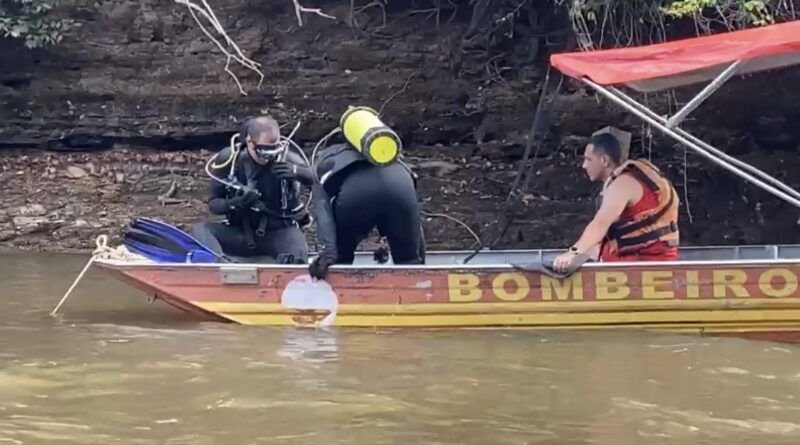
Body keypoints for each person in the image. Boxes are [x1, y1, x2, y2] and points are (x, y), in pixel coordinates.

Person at [191, 116, 314, 264]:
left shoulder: (288, 158)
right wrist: (233, 203)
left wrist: (296, 172)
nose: (268, 158)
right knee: (201, 230)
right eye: (264, 151)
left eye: (274, 151)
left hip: (278, 232)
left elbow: (317, 180)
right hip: (241, 232)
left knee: (298, 252)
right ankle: (222, 265)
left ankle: (289, 269)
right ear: (249, 141)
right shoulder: (230, 159)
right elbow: (214, 204)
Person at [552, 132, 680, 272]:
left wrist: (573, 253)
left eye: (588, 159)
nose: (584, 165)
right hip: (645, 260)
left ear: (604, 160)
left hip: (646, 265)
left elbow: (600, 224)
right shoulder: (625, 180)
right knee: (592, 252)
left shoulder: (623, 184)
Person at [307, 141, 425, 279]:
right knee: (408, 262)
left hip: (356, 194)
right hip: (401, 186)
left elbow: (323, 209)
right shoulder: (390, 155)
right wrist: (418, 259)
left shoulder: (324, 160)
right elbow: (413, 220)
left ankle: (340, 280)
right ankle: (417, 284)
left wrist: (330, 250)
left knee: (341, 258)